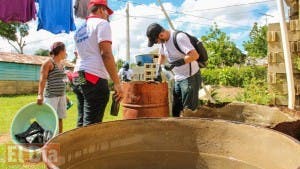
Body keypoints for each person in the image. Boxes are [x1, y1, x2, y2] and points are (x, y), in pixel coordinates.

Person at [73, 0, 123, 127]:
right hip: (94, 77)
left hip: (78, 75)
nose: (108, 16)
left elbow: (77, 54)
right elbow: (106, 54)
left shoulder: (79, 30)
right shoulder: (102, 24)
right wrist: (117, 83)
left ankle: (77, 146)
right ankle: (87, 146)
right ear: (101, 9)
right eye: (107, 12)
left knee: (82, 120)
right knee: (91, 125)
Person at [146, 23, 201, 117]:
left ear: (161, 35)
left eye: (156, 41)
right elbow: (161, 55)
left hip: (190, 78)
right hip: (178, 79)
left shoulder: (179, 38)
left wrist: (175, 63)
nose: (157, 43)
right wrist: (158, 69)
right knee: (176, 111)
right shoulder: (163, 43)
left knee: (188, 112)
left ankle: (190, 131)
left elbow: (195, 55)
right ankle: (178, 130)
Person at [37, 42, 67, 133]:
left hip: (61, 96)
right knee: (50, 119)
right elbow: (42, 79)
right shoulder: (48, 63)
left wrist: (65, 94)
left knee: (60, 118)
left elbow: (62, 79)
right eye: (65, 50)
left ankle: (59, 138)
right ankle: (49, 139)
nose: (66, 53)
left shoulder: (62, 64)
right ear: (61, 51)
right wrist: (40, 95)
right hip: (51, 96)